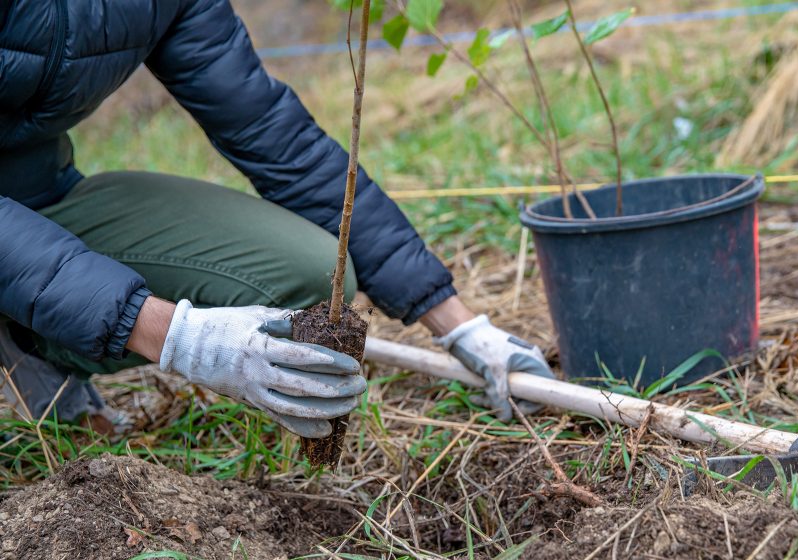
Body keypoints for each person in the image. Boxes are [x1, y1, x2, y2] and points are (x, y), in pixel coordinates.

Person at [0, 0, 553, 438]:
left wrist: (461, 327)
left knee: (304, 268)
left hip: (39, 196)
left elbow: (275, 137)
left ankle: (25, 343)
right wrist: (180, 337)